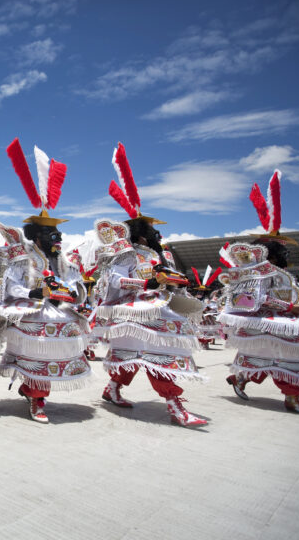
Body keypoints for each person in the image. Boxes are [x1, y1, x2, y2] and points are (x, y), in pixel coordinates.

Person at [91, 143, 207, 426]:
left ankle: (113, 388)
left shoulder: (160, 254)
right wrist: (149, 281)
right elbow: (115, 281)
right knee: (158, 356)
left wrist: (175, 283)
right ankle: (175, 406)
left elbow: (167, 281)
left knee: (143, 356)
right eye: (154, 231)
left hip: (160, 306)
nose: (159, 234)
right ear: (142, 237)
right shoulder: (127, 253)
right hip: (137, 310)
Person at [0, 141, 91, 423]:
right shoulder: (23, 260)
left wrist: (75, 292)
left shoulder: (65, 262)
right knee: (38, 352)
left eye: (59, 235)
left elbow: (75, 284)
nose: (58, 240)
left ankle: (33, 391)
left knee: (56, 352)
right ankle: (37, 398)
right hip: (33, 312)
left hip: (59, 312)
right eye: (52, 236)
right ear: (37, 237)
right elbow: (10, 288)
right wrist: (36, 291)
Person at [221, 171, 299, 416]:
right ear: (272, 252)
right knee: (298, 349)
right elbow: (256, 299)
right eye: (283, 249)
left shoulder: (277, 272)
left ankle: (242, 379)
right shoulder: (259, 272)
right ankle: (292, 397)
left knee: (277, 355)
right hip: (265, 321)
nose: (287, 254)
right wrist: (292, 309)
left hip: (278, 320)